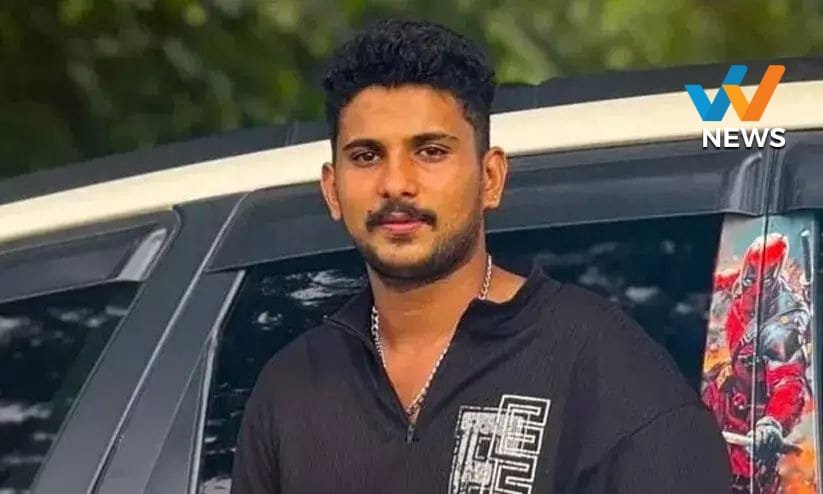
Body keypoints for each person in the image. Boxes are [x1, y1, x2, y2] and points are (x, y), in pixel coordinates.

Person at [230, 18, 731, 494]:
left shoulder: (600, 364)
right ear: (332, 189)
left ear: (490, 178)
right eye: (366, 156)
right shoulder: (290, 390)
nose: (396, 183)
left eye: (430, 151)